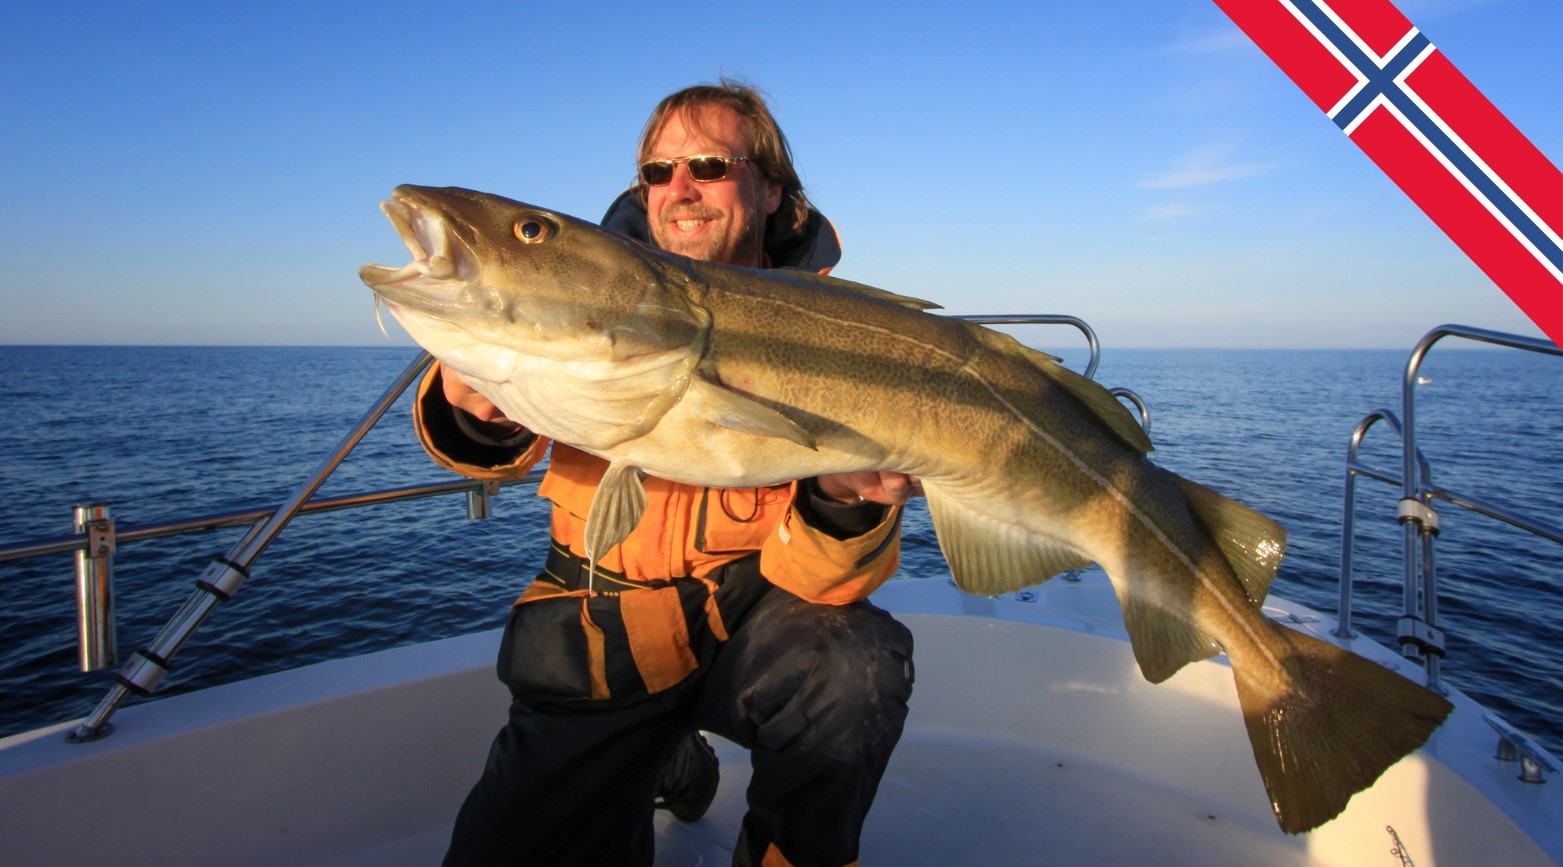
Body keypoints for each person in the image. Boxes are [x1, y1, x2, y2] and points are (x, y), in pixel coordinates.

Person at [417, 80, 917, 867]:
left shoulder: (841, 330)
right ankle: (668, 757)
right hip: (601, 630)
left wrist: (839, 501)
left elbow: (827, 579)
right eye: (656, 172)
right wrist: (473, 403)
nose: (678, 189)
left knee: (853, 663)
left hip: (759, 621)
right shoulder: (591, 289)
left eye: (710, 165)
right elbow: (492, 437)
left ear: (770, 190)